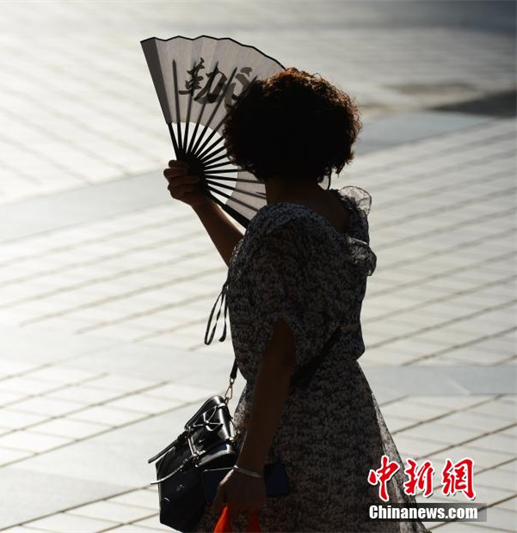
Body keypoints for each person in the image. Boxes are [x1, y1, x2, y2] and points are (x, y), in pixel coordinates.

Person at [163, 67, 429, 532]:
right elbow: (268, 279)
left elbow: (280, 355)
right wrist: (204, 205)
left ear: (249, 145)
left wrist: (248, 468)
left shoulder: (279, 225)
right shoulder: (341, 211)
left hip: (293, 425)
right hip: (344, 410)